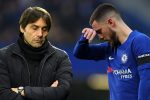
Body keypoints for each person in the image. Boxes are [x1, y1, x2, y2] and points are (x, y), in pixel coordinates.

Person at [73, 3, 150, 100]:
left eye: (99, 31)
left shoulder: (140, 41)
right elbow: (79, 53)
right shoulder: (109, 48)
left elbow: (147, 80)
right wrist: (84, 38)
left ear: (110, 22)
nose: (100, 37)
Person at [0, 7, 72, 100]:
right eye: (35, 28)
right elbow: (3, 95)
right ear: (22, 28)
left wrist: (23, 91)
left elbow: (62, 92)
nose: (40, 34)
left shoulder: (61, 57)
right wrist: (48, 94)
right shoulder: (3, 56)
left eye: (44, 29)